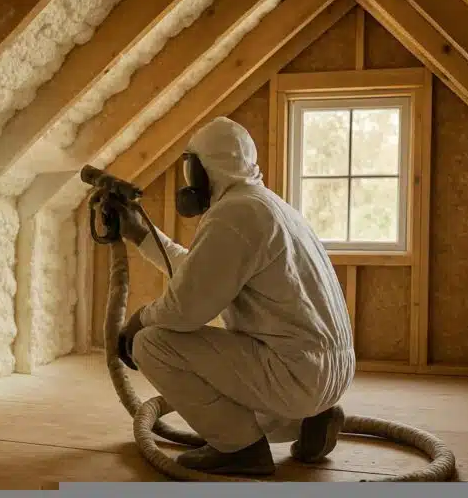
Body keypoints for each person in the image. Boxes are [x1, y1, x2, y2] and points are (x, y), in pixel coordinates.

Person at [111, 116, 356, 476]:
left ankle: (240, 450)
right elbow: (202, 275)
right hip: (328, 373)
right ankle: (309, 422)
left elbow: (186, 309)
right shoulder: (266, 205)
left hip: (296, 374)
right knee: (233, 392)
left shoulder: (234, 215)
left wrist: (138, 320)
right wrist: (142, 235)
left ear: (201, 170)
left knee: (152, 343)